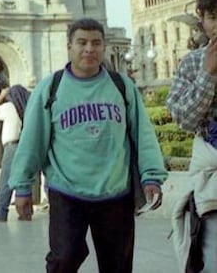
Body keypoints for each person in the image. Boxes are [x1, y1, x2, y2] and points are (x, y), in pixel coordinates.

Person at [10, 18, 167, 271]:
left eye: (96, 43)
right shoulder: (50, 88)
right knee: (64, 258)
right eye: (82, 42)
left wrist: (151, 176)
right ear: (69, 46)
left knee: (117, 266)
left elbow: (143, 135)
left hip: (115, 192)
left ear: (104, 47)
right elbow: (32, 142)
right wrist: (23, 187)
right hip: (67, 192)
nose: (89, 49)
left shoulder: (121, 86)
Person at [166, 0, 217, 272]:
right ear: (203, 20)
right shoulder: (192, 62)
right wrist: (208, 75)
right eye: (212, 17)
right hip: (211, 176)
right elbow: (184, 117)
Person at [0, 85, 29, 222]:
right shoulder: (28, 107)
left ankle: (1, 210)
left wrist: (1, 96)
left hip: (12, 146)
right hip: (24, 145)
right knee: (23, 178)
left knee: (6, 179)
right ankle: (25, 213)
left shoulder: (10, 107)